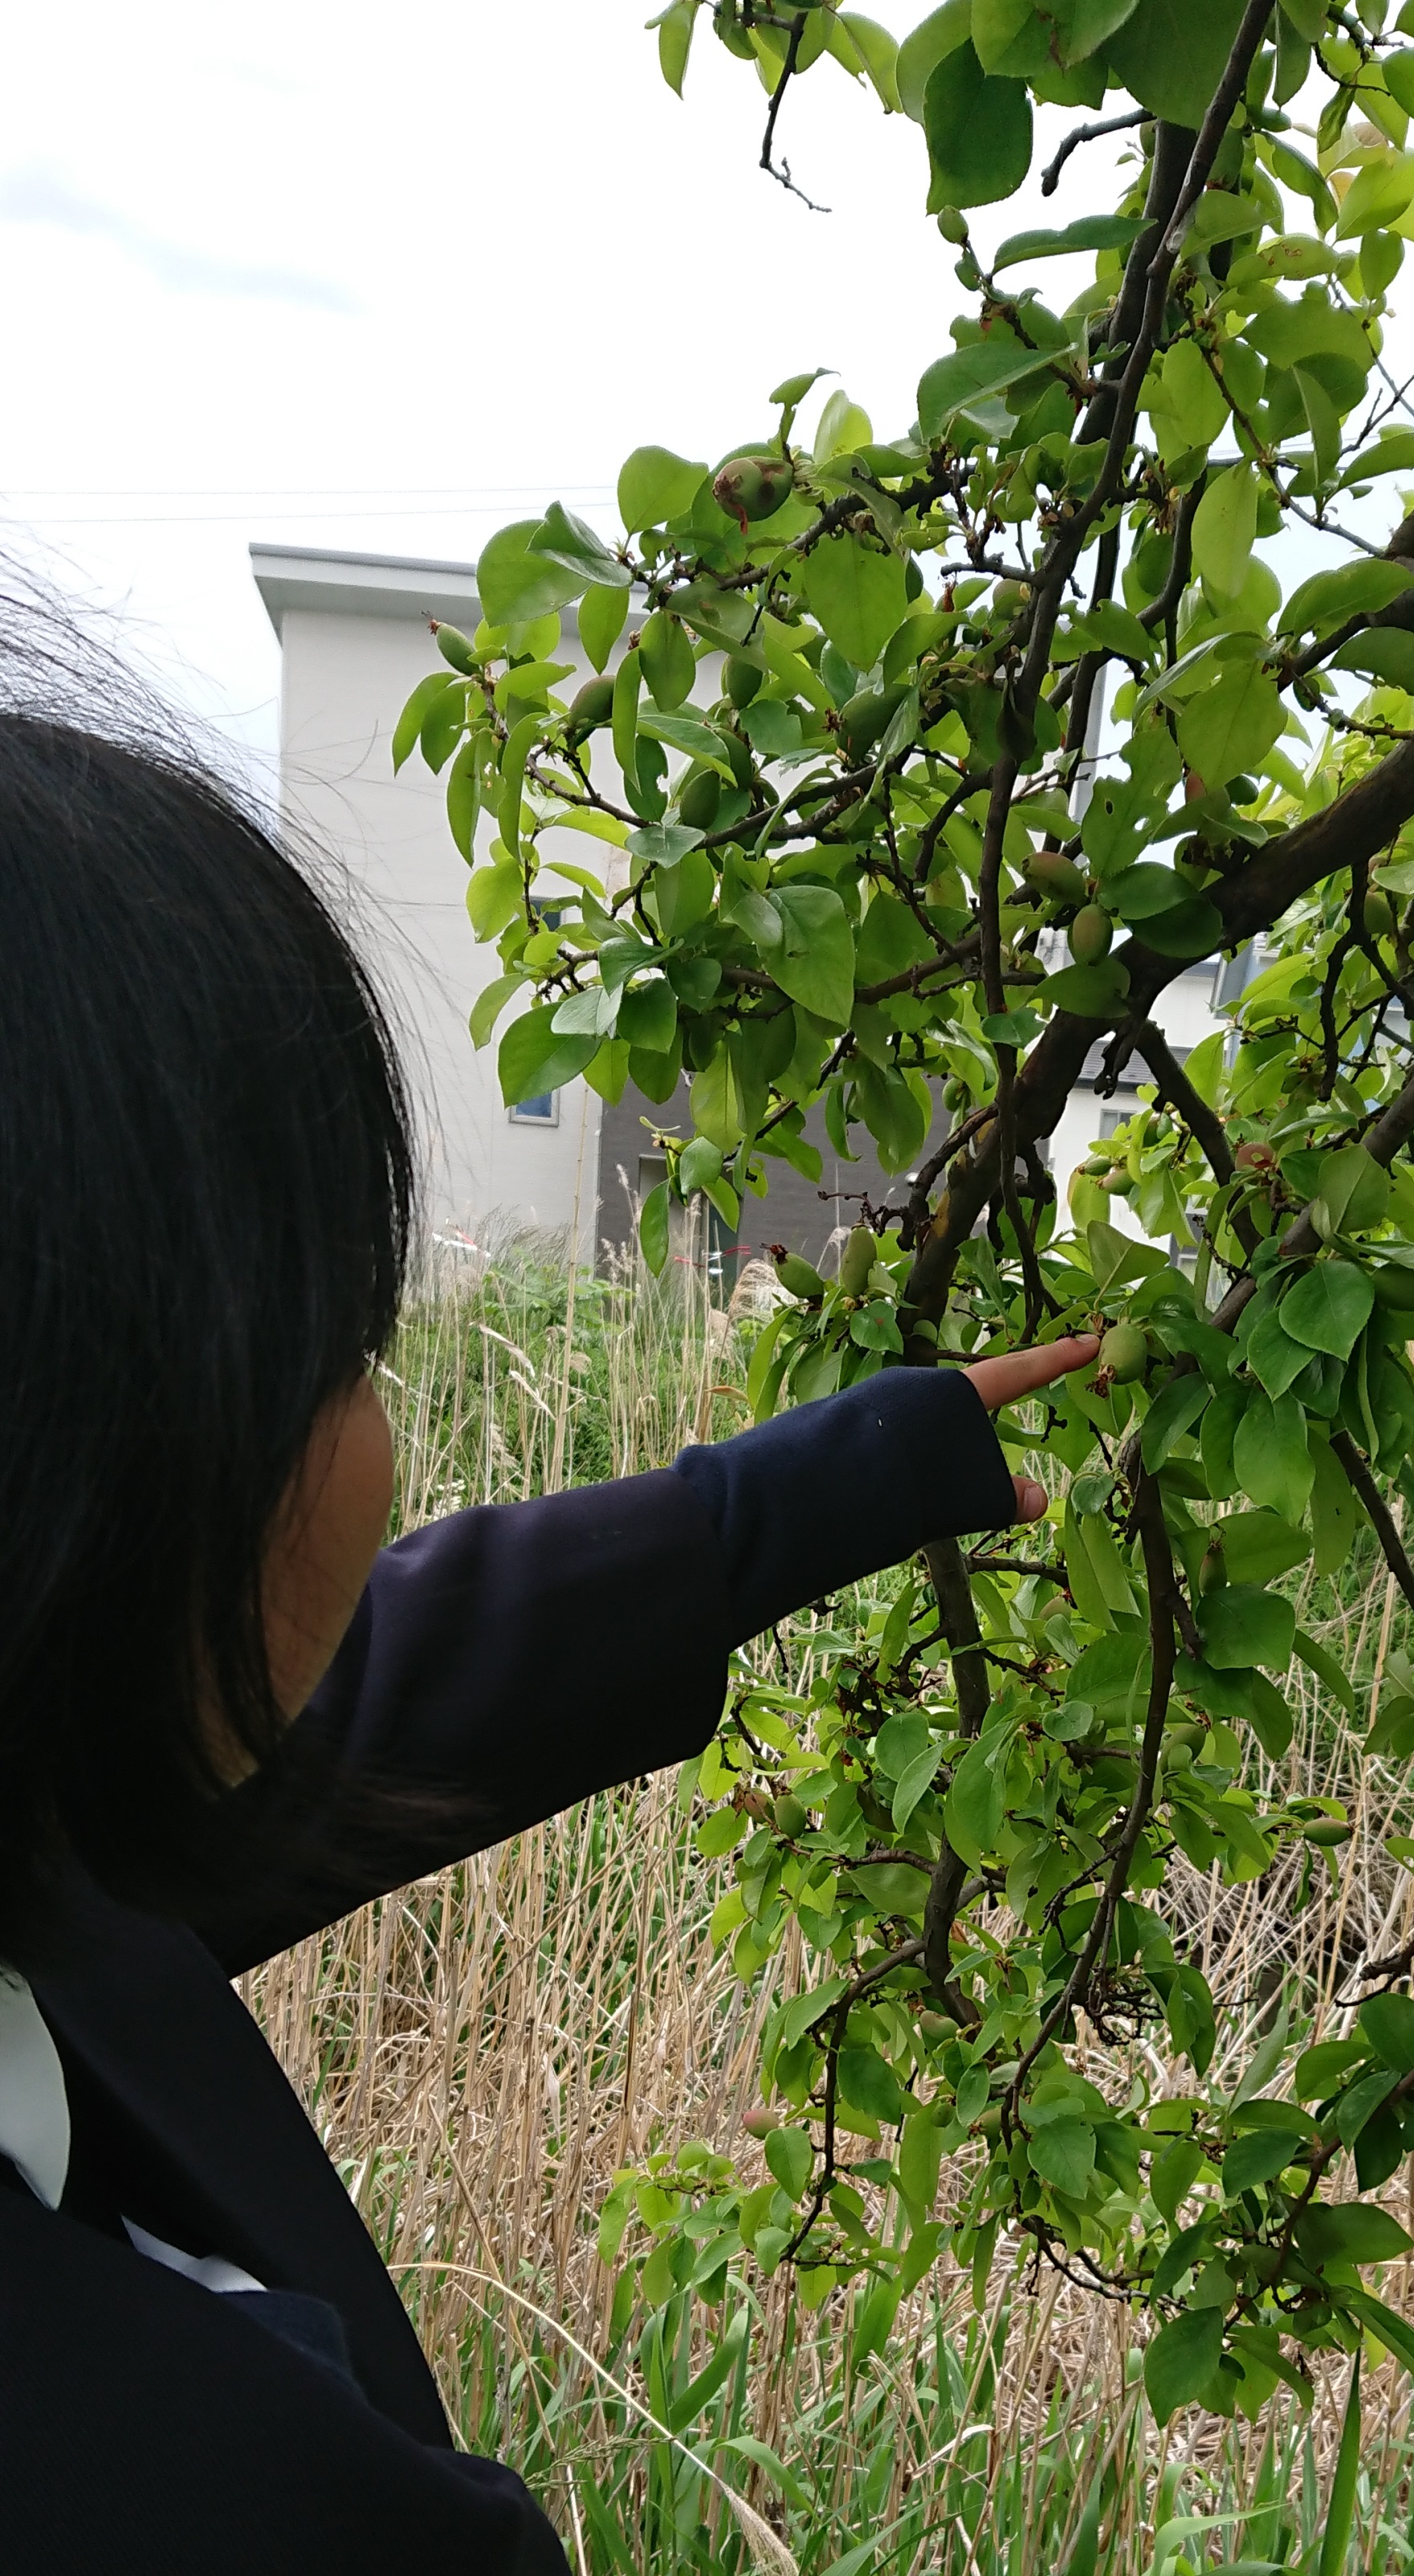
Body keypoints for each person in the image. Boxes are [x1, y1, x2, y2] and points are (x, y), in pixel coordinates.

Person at [0, 686, 1096, 2570]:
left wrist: (816, 1487)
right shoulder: (234, 2501)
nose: (377, 1429)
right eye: (339, 1347)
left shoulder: (44, 1830)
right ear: (98, 1463)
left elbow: (350, 1702)